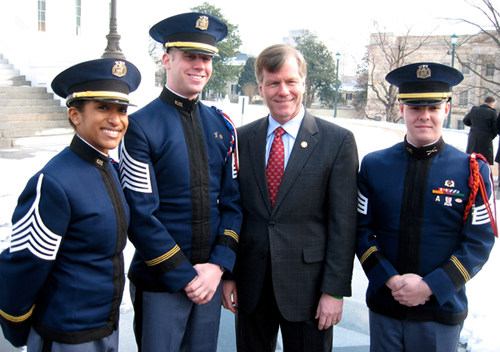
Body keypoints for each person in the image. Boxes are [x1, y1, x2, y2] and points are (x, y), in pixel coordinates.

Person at [222, 44, 359, 352]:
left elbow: (344, 225)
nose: (282, 91)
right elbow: (232, 211)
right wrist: (229, 275)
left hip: (309, 291)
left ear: (303, 84)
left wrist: (334, 292)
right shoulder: (241, 139)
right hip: (251, 286)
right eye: (273, 83)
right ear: (261, 88)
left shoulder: (337, 142)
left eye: (290, 81)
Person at [119, 12, 242, 352]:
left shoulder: (222, 126)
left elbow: (233, 205)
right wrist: (187, 276)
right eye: (190, 56)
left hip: (210, 279)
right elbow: (140, 215)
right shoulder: (139, 127)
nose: (199, 65)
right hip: (162, 281)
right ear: (167, 58)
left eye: (206, 58)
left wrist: (217, 267)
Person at [0, 58, 141, 351]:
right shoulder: (53, 181)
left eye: (122, 110)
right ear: (75, 114)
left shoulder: (109, 168)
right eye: (103, 107)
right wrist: (16, 325)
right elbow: (25, 265)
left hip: (104, 326)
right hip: (66, 334)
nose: (116, 120)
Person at [357, 62, 497, 352]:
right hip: (386, 304)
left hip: (440, 309)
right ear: (401, 109)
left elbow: (479, 241)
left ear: (446, 109)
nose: (425, 117)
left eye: (433, 108)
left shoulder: (471, 171)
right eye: (415, 108)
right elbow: (361, 230)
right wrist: (389, 278)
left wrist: (431, 286)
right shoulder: (374, 165)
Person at [463, 96, 497, 165]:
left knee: (472, 157)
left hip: (473, 136)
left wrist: (474, 126)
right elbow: (495, 128)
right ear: (491, 104)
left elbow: (465, 121)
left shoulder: (474, 110)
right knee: (484, 160)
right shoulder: (492, 113)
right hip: (486, 138)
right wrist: (491, 136)